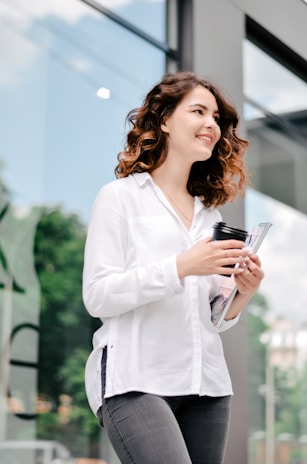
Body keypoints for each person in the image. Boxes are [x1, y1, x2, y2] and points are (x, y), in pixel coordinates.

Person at [82, 70, 264, 464]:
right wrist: (181, 267)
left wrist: (241, 293)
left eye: (216, 117)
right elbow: (98, 296)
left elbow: (213, 318)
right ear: (164, 120)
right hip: (135, 380)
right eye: (198, 111)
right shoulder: (120, 198)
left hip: (207, 386)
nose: (211, 124)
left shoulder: (209, 215)